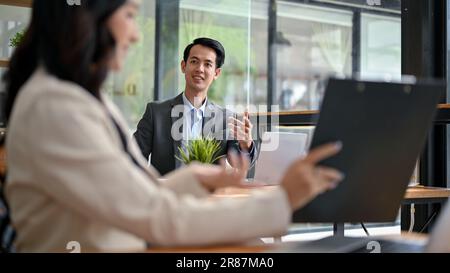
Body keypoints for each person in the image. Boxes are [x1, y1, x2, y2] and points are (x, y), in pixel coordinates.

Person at [3, 0, 343, 252]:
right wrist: (283, 200)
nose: (136, 34)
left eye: (208, 64)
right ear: (89, 17)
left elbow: (133, 193)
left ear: (216, 73)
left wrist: (195, 177)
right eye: (130, 15)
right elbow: (153, 214)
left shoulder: (78, 98)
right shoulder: (57, 107)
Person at [134, 37, 258, 175]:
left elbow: (240, 165)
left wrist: (246, 145)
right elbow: (132, 160)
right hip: (168, 193)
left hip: (209, 195)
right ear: (183, 66)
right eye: (194, 61)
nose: (200, 69)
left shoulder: (226, 119)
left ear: (216, 73)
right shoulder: (156, 113)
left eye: (208, 64)